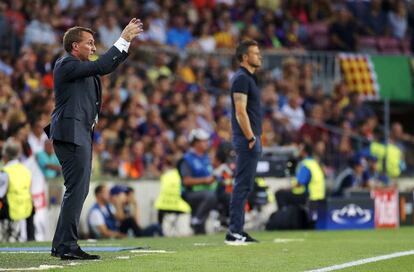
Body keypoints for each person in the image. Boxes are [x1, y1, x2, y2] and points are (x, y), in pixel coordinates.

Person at [46, 19, 143, 260]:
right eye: (89, 43)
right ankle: (67, 245)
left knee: (78, 189)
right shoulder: (66, 63)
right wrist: (123, 39)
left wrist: (125, 45)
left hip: (78, 133)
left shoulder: (79, 66)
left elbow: (104, 64)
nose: (93, 47)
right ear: (74, 46)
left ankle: (62, 244)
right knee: (77, 190)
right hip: (71, 133)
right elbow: (102, 66)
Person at [226, 40, 262, 245]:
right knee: (241, 185)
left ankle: (238, 229)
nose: (259, 56)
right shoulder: (241, 79)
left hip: (251, 138)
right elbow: (240, 111)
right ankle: (234, 231)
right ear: (245, 57)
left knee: (245, 185)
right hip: (246, 139)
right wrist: (250, 137)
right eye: (255, 53)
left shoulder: (249, 79)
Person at [179, 128, 217, 234]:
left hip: (206, 191)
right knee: (210, 196)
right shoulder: (187, 159)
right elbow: (186, 181)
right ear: (195, 143)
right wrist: (205, 180)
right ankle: (196, 219)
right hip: (190, 193)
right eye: (203, 141)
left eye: (206, 140)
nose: (206, 143)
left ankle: (200, 223)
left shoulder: (206, 157)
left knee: (221, 194)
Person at [0, 139, 34, 241]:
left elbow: (0, 194)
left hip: (10, 209)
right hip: (26, 208)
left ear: (5, 155)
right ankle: (31, 237)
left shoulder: (5, 172)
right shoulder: (26, 170)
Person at [275, 144, 325, 210]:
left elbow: (300, 183)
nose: (298, 151)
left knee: (280, 194)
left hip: (310, 196)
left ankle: (284, 214)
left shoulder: (306, 164)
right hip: (319, 195)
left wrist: (286, 189)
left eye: (299, 149)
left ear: (304, 152)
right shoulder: (313, 162)